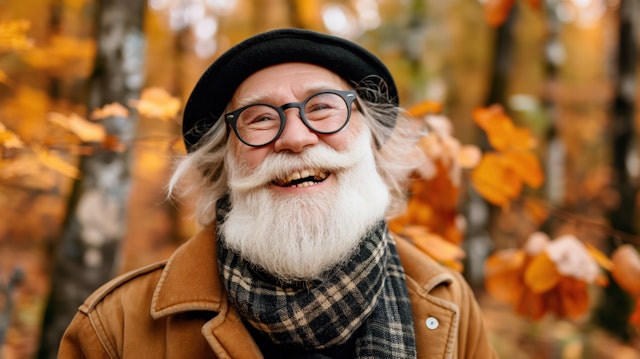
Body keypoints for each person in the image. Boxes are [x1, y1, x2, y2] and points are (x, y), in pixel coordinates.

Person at [59, 28, 497, 358]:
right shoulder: (114, 326)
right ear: (223, 164)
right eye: (259, 118)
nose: (294, 137)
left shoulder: (449, 301)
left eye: (323, 107)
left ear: (373, 141)